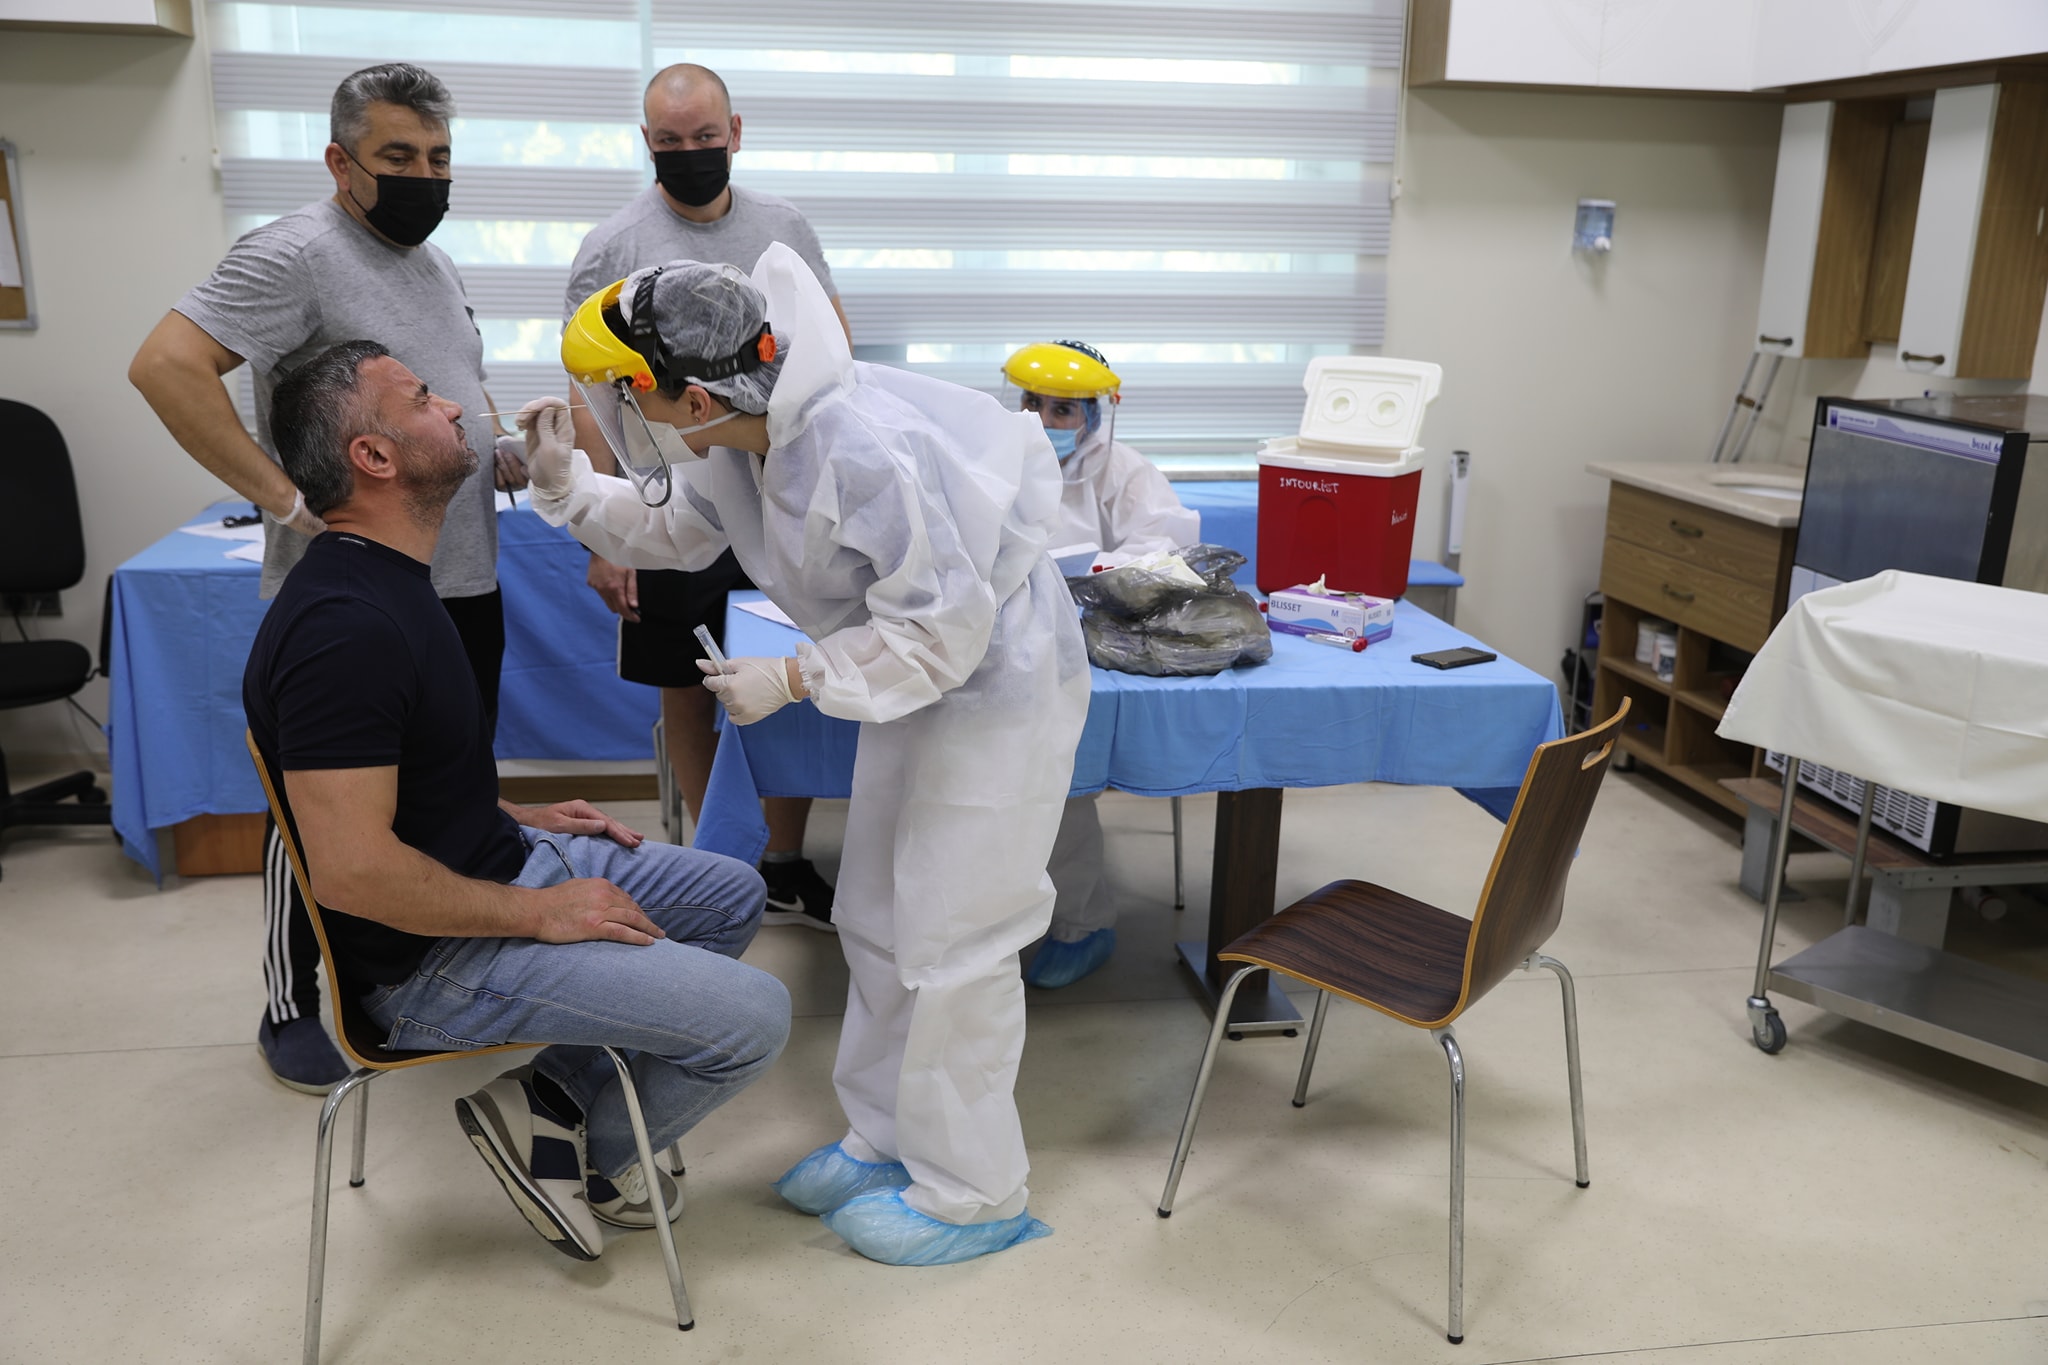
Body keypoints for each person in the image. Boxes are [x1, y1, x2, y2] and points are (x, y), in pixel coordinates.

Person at [521, 246, 1089, 1266]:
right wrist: (569, 488)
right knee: (875, 911)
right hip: (915, 675)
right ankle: (885, 1138)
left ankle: (975, 1191)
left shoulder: (856, 445)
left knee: (956, 933)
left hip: (990, 678)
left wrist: (795, 676)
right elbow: (677, 524)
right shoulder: (743, 429)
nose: (619, 410)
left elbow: (945, 630)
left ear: (691, 396)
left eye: (625, 393)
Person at [245, 338, 789, 1261]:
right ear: (373, 456)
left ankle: (549, 1095)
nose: (456, 407)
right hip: (429, 963)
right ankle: (580, 1152)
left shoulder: (393, 579)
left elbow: (401, 792)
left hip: (496, 862)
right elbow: (351, 871)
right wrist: (541, 913)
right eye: (423, 399)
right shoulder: (346, 629)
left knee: (733, 891)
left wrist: (514, 817)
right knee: (758, 1019)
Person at [129, 63, 514, 1095]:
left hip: (458, 583)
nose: (424, 176)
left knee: (442, 795)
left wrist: (507, 449)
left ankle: (426, 976)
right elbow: (164, 365)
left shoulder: (433, 262)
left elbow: (446, 395)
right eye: (399, 157)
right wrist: (283, 497)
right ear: (342, 162)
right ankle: (292, 1000)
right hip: (357, 601)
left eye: (438, 157)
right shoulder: (294, 253)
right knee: (320, 817)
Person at [565, 62, 847, 930]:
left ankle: (782, 857)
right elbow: (587, 388)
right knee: (691, 683)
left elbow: (830, 343)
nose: (689, 152)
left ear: (736, 132)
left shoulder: (782, 228)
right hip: (669, 491)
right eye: (670, 140)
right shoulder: (612, 245)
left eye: (704, 136)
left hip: (776, 488)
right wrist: (605, 533)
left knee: (784, 669)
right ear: (646, 142)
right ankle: (718, 866)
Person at [1001, 342, 1200, 990]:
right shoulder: (995, 455)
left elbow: (1164, 543)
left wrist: (1099, 573)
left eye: (1062, 409)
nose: (1043, 419)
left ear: (1094, 414)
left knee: (1062, 774)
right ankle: (995, 912)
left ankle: (1082, 923)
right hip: (1003, 641)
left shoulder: (1125, 469)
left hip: (1100, 646)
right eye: (1033, 402)